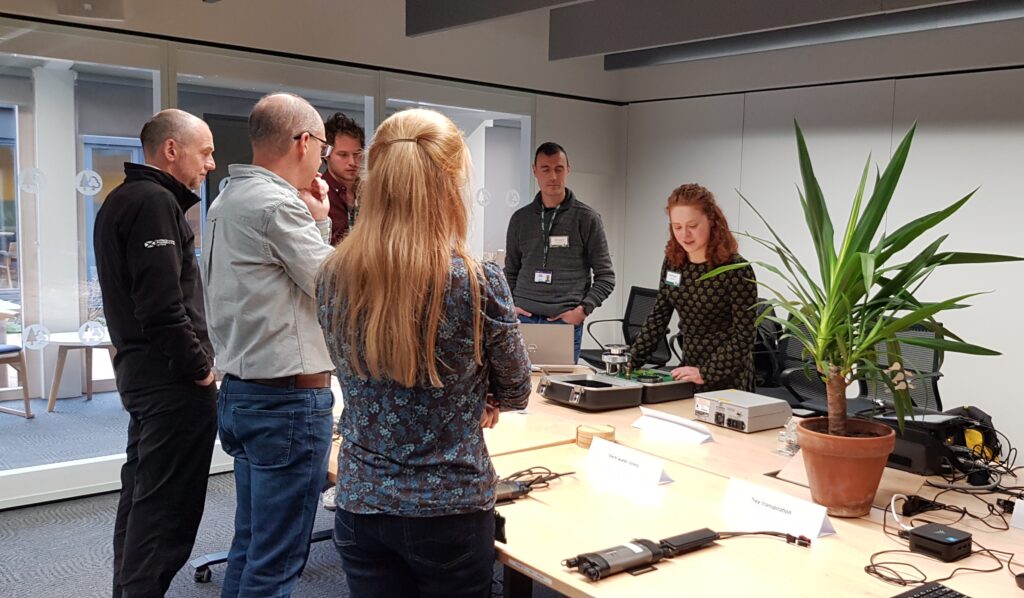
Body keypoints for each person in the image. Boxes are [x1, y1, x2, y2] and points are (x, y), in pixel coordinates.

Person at [317, 108, 532, 597]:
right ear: (452, 182)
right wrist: (482, 398)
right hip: (450, 509)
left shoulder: (333, 275)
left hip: (361, 500)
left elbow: (362, 366)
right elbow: (518, 390)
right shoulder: (475, 282)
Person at [201, 92, 335, 598]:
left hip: (243, 394)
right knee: (277, 563)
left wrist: (316, 219)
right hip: (287, 403)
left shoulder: (227, 198)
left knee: (252, 545)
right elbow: (332, 288)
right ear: (303, 142)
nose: (322, 157)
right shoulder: (278, 205)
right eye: (322, 145)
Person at [94, 108, 218, 598]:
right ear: (172, 149)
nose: (210, 163)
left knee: (143, 498)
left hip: (143, 377)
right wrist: (201, 371)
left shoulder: (120, 200)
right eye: (205, 151)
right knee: (167, 511)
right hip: (172, 383)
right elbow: (163, 309)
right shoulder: (153, 202)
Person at [628, 183, 757, 391]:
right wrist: (630, 361)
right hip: (689, 368)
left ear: (712, 221)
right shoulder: (674, 263)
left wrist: (706, 372)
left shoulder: (736, 269)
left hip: (728, 375)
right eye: (677, 227)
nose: (685, 235)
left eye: (693, 226)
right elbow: (659, 315)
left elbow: (745, 337)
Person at [504, 142, 615, 362]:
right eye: (545, 169)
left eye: (558, 168)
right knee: (519, 388)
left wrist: (582, 311)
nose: (553, 176)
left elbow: (606, 277)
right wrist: (511, 306)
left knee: (558, 389)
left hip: (564, 322)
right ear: (535, 171)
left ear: (568, 169)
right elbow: (511, 271)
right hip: (523, 320)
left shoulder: (587, 218)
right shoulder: (520, 219)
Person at [323, 111, 365, 245]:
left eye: (357, 154)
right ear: (326, 154)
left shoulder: (371, 192)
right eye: (343, 155)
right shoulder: (318, 194)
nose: (352, 162)